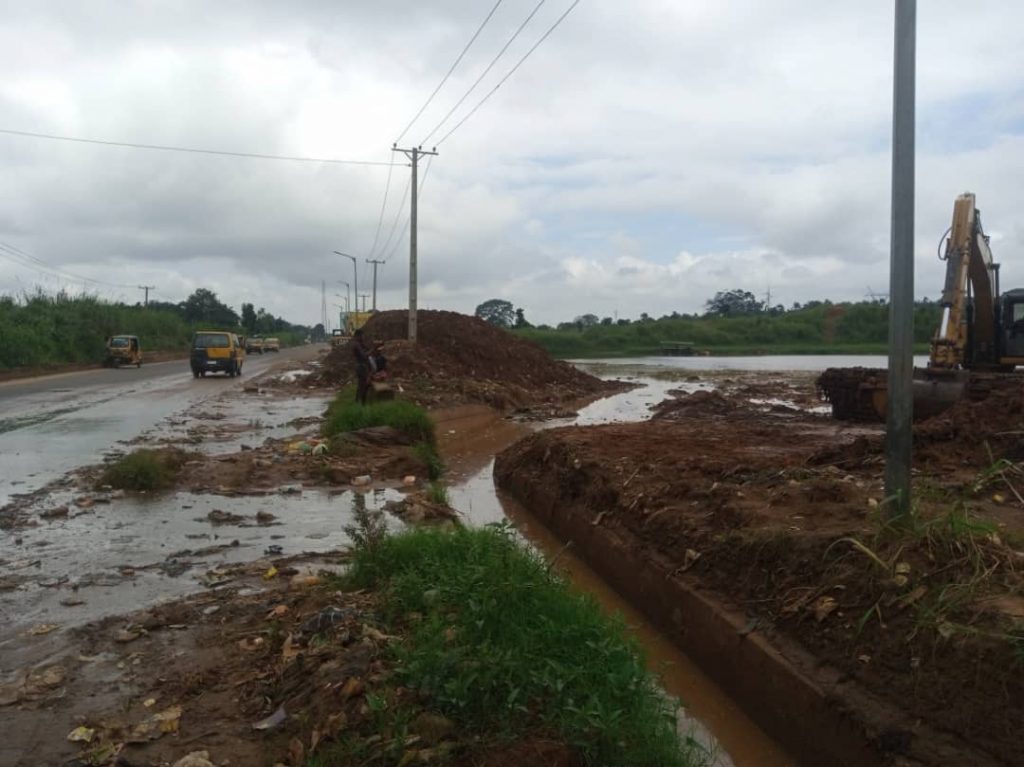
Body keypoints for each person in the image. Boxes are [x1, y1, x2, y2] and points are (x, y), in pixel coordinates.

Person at [352, 329, 372, 405]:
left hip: (362, 367)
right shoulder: (357, 345)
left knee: (362, 386)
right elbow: (364, 356)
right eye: (362, 335)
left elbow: (367, 348)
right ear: (358, 336)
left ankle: (359, 403)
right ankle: (361, 403)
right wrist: (373, 350)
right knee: (363, 386)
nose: (364, 337)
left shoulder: (360, 344)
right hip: (361, 367)